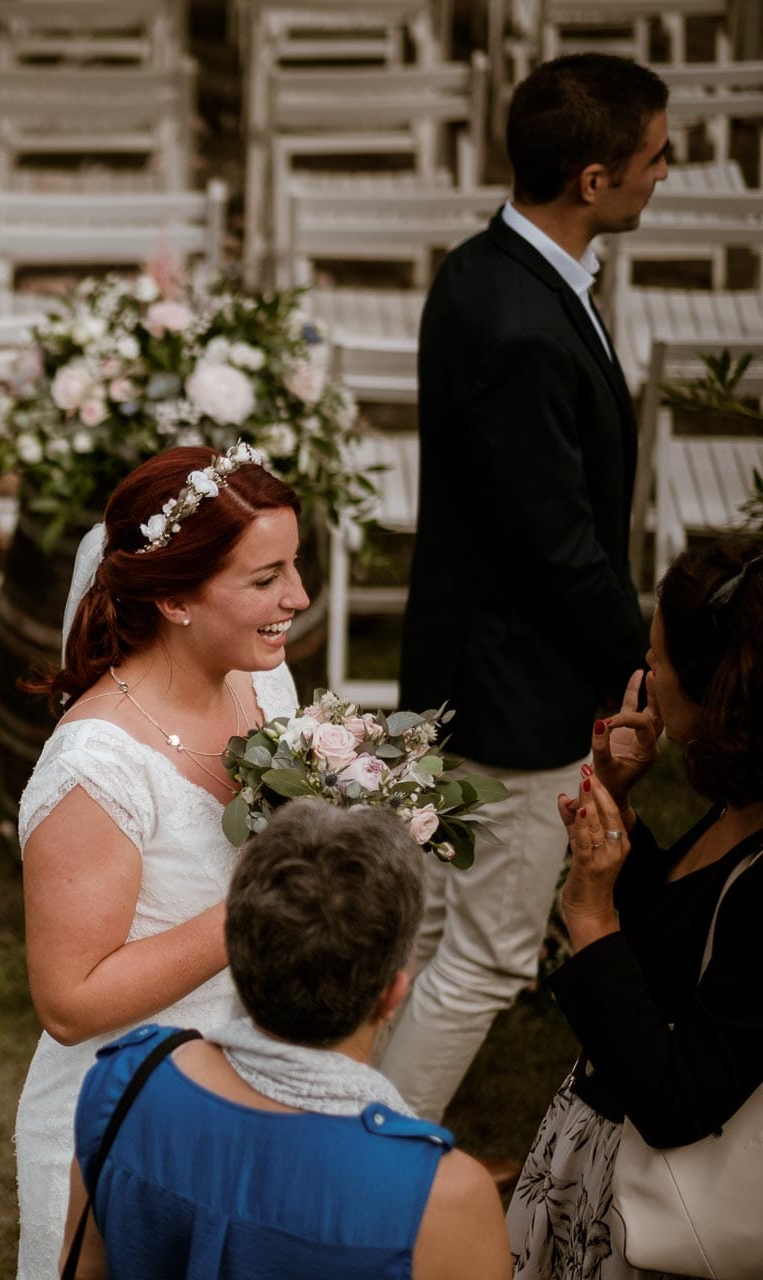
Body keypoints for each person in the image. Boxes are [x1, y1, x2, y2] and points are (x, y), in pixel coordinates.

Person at [382, 52, 670, 1124]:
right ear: (591, 178)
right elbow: (556, 543)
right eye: (651, 155)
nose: (663, 171)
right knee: (490, 954)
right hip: (510, 692)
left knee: (417, 928)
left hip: (462, 662)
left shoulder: (480, 267)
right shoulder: (515, 320)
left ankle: (333, 1130)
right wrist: (641, 666)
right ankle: (371, 1175)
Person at [14, 441, 310, 1276]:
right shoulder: (95, 768)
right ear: (176, 599)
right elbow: (69, 1004)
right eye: (266, 579)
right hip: (122, 1125)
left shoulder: (266, 687)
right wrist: (261, 908)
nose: (299, 596)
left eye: (294, 565)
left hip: (259, 1087)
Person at [59, 802, 510, 1280]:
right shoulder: (445, 1197)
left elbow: (83, 1268)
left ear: (236, 951)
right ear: (393, 993)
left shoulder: (127, 1081)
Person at [507, 535, 763, 1278]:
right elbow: (681, 942)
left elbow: (679, 1100)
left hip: (663, 1211)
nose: (645, 674)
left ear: (720, 688)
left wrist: (589, 918)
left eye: (658, 660)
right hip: (601, 1157)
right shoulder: (743, 801)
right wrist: (620, 803)